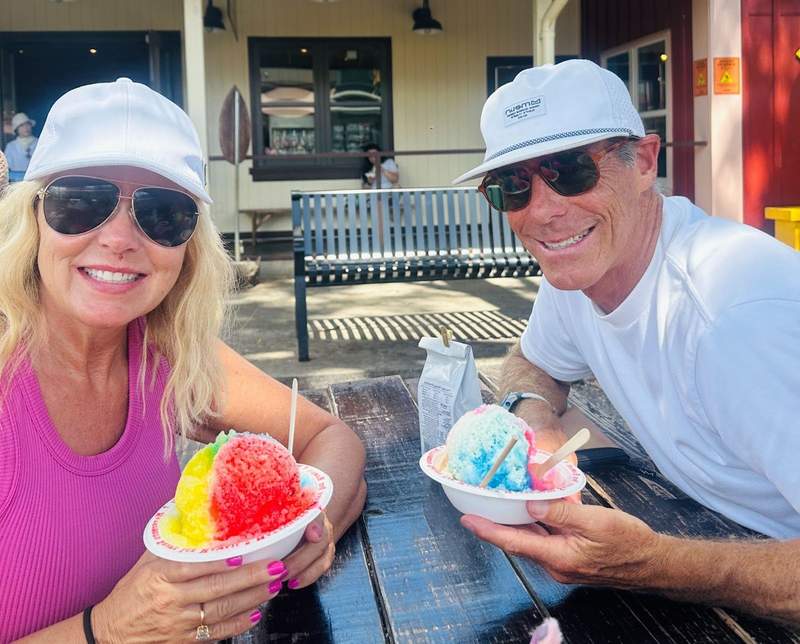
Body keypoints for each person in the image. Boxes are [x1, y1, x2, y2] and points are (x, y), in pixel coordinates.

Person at [0, 78, 367, 642]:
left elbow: (330, 438)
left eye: (164, 213)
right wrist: (110, 630)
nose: (120, 238)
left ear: (188, 248)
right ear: (33, 220)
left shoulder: (164, 355)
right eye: (81, 202)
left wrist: (311, 530)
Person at [454, 60, 800, 622]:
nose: (541, 210)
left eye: (569, 171)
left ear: (643, 161)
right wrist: (535, 426)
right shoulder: (581, 270)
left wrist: (654, 565)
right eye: (512, 185)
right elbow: (533, 361)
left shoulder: (734, 316)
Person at [4, 112, 38, 181]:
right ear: (17, 129)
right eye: (21, 125)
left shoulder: (39, 142)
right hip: (16, 183)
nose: (26, 127)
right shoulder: (11, 146)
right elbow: (6, 168)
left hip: (36, 181)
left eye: (27, 124)